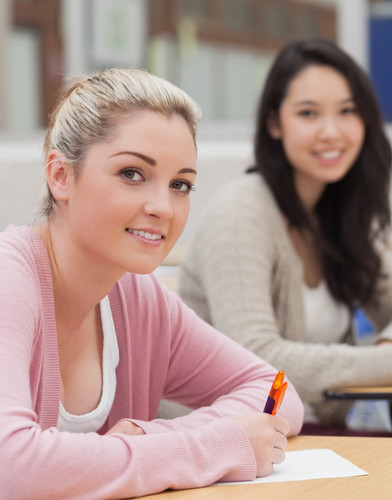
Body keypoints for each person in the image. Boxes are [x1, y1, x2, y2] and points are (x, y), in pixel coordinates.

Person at [0, 68, 304, 499]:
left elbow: (277, 392)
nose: (163, 207)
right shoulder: (9, 279)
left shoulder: (138, 298)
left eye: (181, 185)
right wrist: (212, 444)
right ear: (61, 177)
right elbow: (10, 467)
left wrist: (152, 435)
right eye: (131, 174)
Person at [178, 38, 392, 427]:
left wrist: (391, 352)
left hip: (315, 436)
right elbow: (256, 356)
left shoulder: (339, 214)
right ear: (274, 123)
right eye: (308, 113)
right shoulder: (241, 212)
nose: (331, 131)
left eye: (347, 111)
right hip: (224, 444)